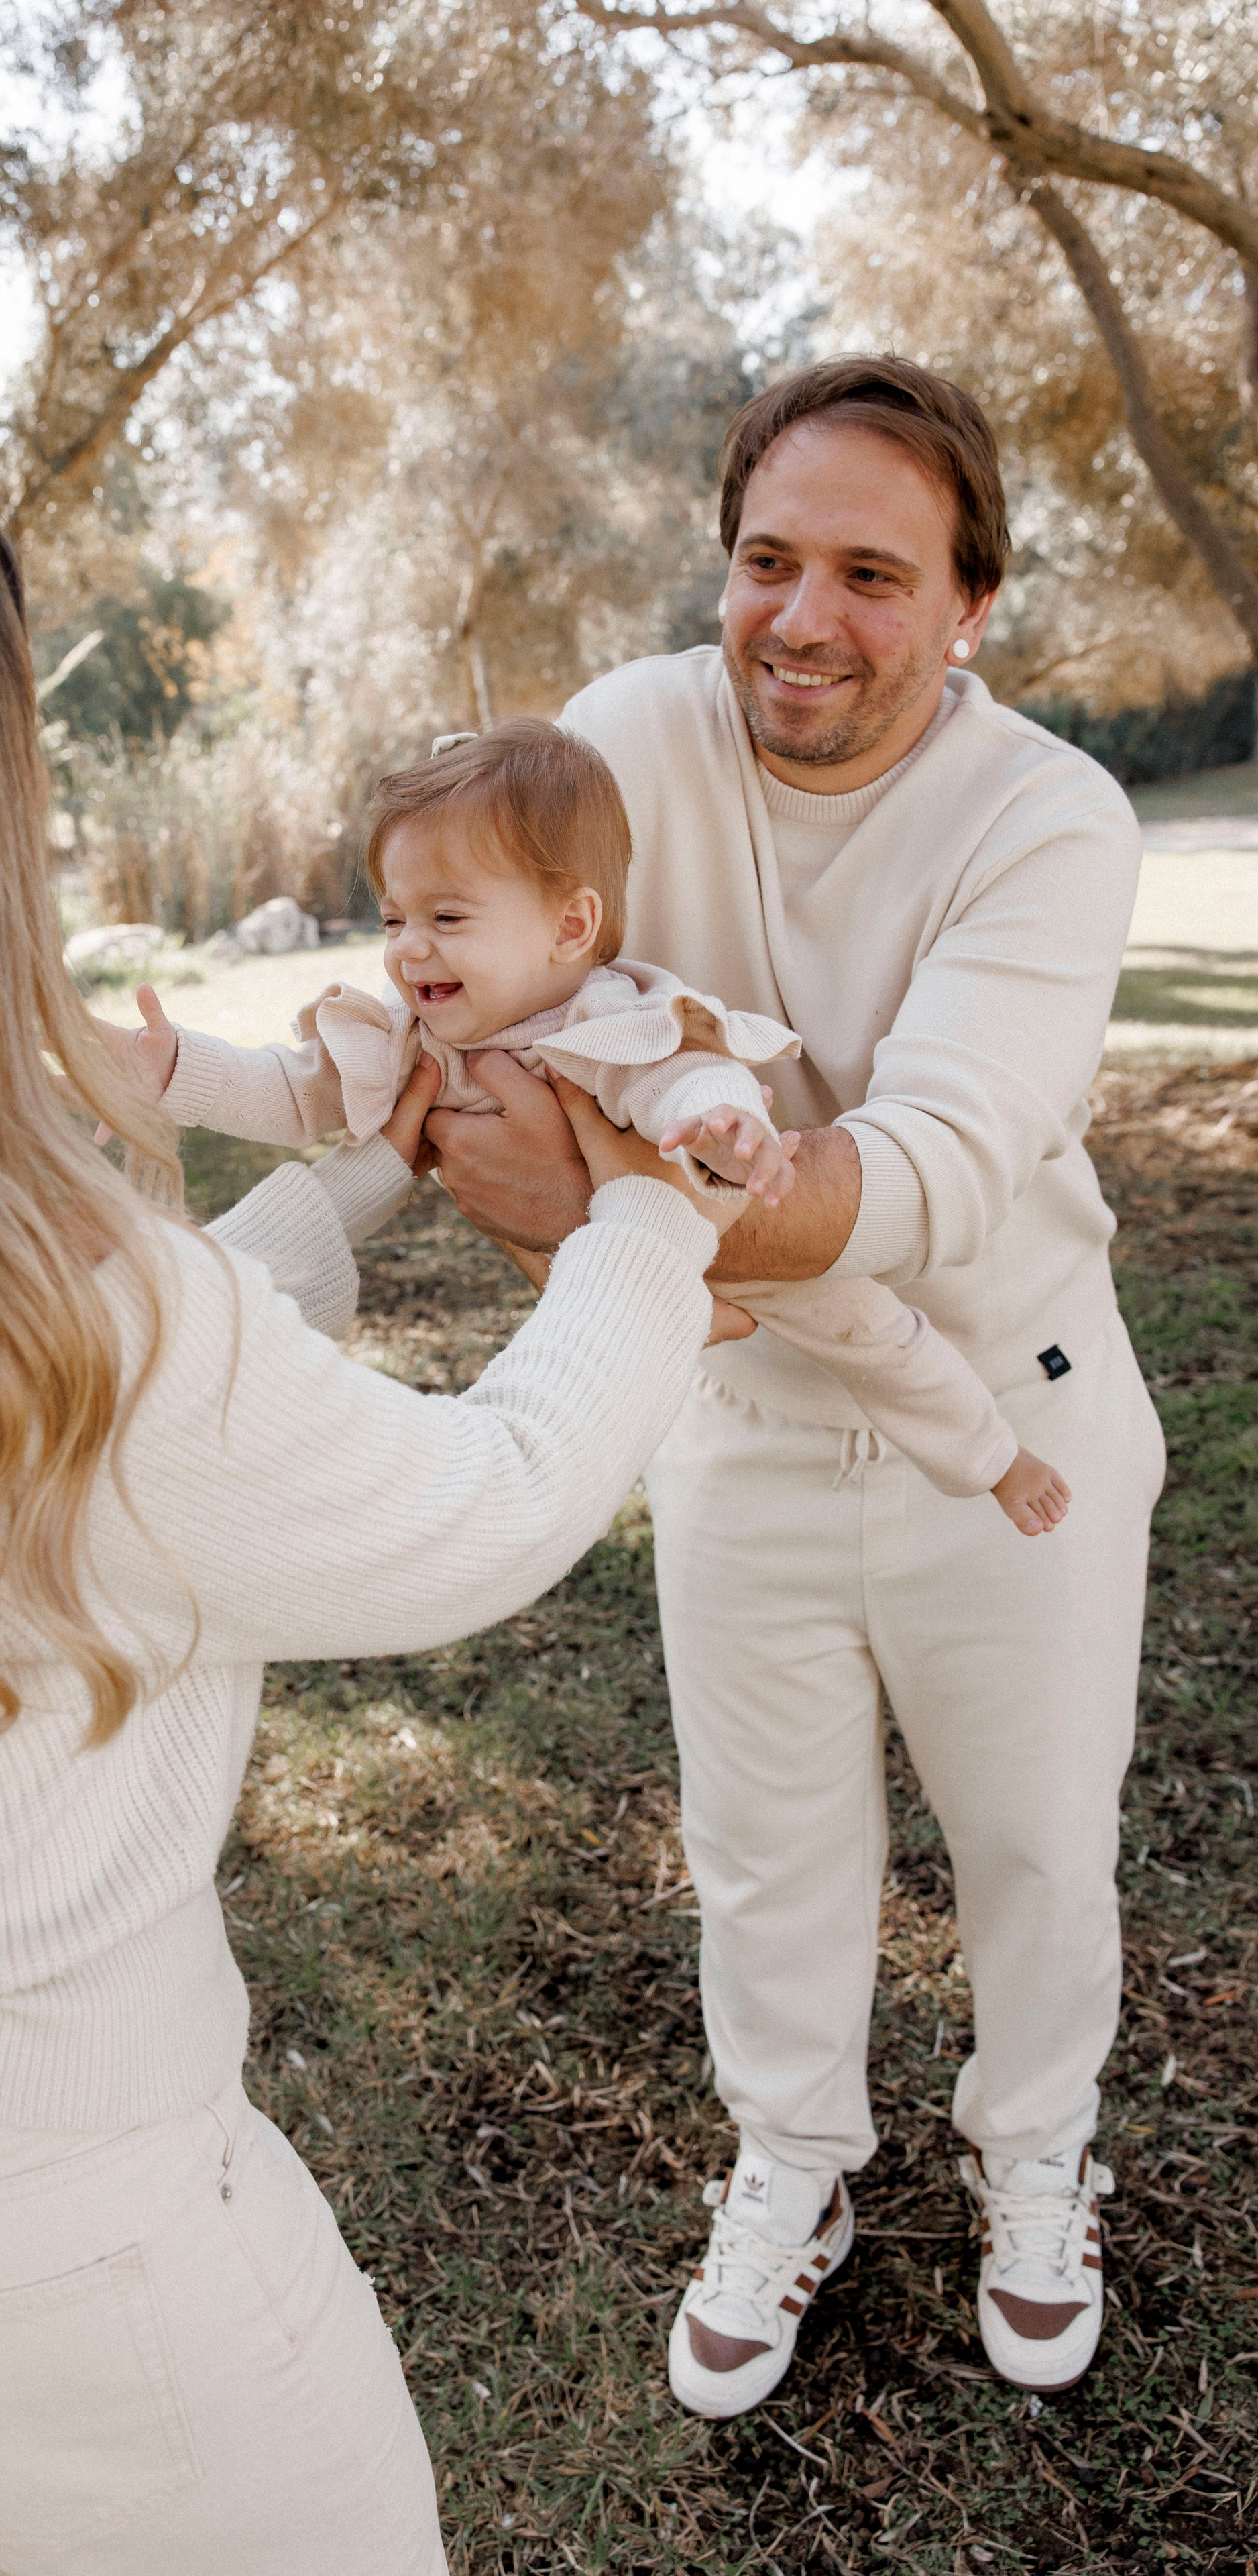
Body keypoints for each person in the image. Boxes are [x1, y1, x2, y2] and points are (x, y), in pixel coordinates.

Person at [0, 402, 734, 2574]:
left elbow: (62, 1426)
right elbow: (493, 1494)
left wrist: (351, 1191)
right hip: (44, 2254)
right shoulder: (71, 1317)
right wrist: (653, 1214)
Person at [421, 356, 1163, 2412]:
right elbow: (487, 1003)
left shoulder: (1048, 814)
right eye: (767, 560)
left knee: (1031, 1843)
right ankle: (796, 2170)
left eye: (871, 572)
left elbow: (929, 1164)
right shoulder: (629, 741)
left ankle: (1035, 2159)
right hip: (734, 1405)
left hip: (1002, 1414)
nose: (804, 618)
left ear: (967, 607)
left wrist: (601, 1196)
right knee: (764, 1848)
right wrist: (526, 1160)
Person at [118, 719, 1071, 1535]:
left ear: (571, 928)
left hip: (705, 1231)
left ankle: (993, 1460)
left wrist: (722, 1120)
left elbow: (677, 1075)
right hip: (591, 1271)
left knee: (874, 1332)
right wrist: (178, 1071)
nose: (410, 949)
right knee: (579, 1370)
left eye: (446, 917)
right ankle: (670, 1325)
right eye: (393, 917)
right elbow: (295, 1094)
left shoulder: (603, 1015)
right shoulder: (413, 1034)